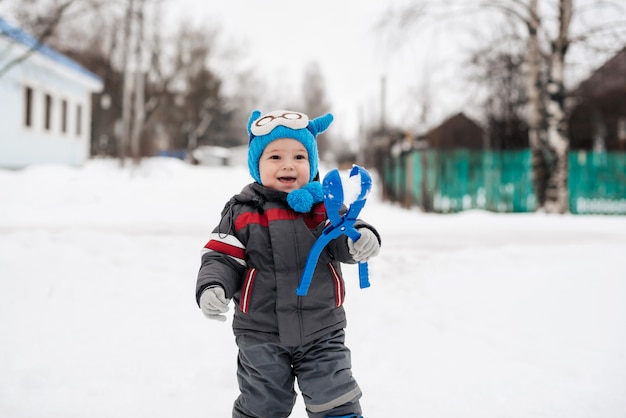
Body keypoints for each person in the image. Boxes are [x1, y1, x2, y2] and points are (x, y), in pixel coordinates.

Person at [195, 109, 381, 418]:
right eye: (275, 157)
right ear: (256, 164)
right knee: (263, 405)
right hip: (260, 333)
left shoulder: (324, 207)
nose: (288, 165)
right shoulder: (241, 212)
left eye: (299, 157)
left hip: (322, 329)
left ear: (312, 163)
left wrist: (360, 238)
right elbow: (221, 257)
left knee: (334, 396)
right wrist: (212, 285)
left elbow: (344, 233)